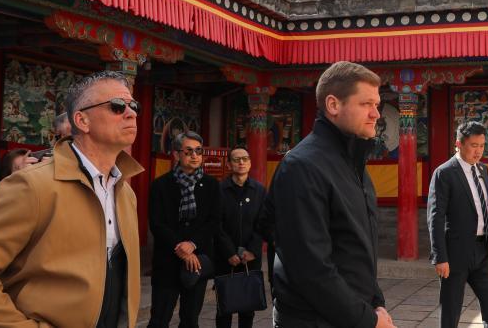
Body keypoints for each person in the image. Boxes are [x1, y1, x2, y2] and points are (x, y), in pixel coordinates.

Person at [0, 70, 144, 326]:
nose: (131, 113)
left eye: (134, 106)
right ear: (82, 120)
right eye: (117, 106)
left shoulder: (125, 192)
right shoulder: (31, 185)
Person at [269, 61, 395, 328]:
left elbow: (356, 249)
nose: (376, 114)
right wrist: (368, 320)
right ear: (333, 105)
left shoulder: (354, 165)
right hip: (312, 320)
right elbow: (310, 268)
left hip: (352, 314)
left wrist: (376, 302)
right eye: (366, 104)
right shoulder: (302, 167)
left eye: (377, 104)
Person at [427, 120, 488, 328]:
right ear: (459, 144)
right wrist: (440, 256)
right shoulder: (444, 173)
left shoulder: (483, 170)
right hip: (455, 254)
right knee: (451, 312)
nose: (478, 151)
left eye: (482, 146)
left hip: (483, 251)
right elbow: (435, 217)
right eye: (473, 145)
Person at [148, 131, 221, 328]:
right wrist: (181, 248)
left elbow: (214, 221)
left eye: (199, 151)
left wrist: (192, 244)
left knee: (190, 319)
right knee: (159, 319)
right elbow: (157, 223)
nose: (195, 156)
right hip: (167, 260)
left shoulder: (212, 185)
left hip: (197, 261)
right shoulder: (160, 185)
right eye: (188, 151)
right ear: (176, 154)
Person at [215, 146, 266, 328]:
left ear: (250, 163)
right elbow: (216, 224)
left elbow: (263, 223)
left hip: (250, 258)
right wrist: (229, 252)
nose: (242, 162)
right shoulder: (219, 190)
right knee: (224, 307)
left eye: (245, 158)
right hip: (225, 257)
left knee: (248, 308)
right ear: (229, 164)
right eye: (236, 159)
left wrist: (252, 250)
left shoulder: (259, 191)